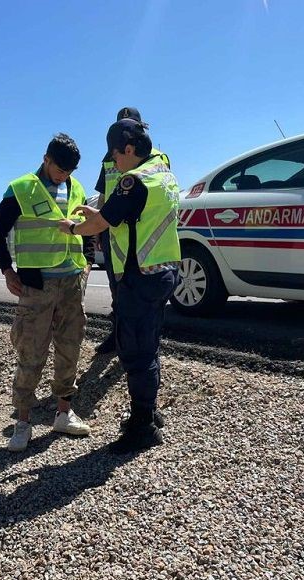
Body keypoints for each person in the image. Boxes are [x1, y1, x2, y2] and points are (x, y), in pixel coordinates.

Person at [59, 119, 181, 453]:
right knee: (149, 346)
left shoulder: (134, 182)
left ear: (129, 149)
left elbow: (100, 223)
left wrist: (72, 228)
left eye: (115, 155)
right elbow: (126, 215)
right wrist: (99, 214)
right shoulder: (163, 174)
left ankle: (142, 428)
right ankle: (150, 413)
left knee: (136, 354)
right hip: (163, 271)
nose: (113, 162)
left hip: (138, 277)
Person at [0, 133, 95, 452]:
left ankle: (63, 413)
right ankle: (22, 423)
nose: (64, 176)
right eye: (60, 169)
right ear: (46, 159)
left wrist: (87, 262)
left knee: (70, 347)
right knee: (31, 352)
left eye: (70, 171)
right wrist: (7, 270)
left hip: (72, 282)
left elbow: (87, 227)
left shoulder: (77, 188)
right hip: (36, 285)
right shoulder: (21, 188)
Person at [92, 107, 170, 355]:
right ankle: (119, 336)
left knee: (145, 292)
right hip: (111, 227)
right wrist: (99, 230)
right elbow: (104, 194)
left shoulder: (157, 157)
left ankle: (146, 343)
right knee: (117, 289)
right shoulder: (109, 157)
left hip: (142, 231)